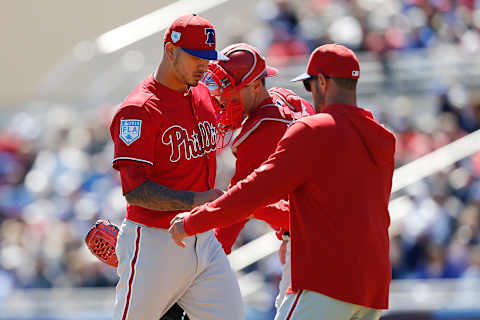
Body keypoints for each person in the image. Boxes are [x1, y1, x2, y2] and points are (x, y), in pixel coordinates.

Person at [169, 44, 396, 320]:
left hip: (324, 274)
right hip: (374, 284)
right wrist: (290, 227)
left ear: (322, 82)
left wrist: (193, 226)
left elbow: (250, 196)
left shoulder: (306, 130)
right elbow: (345, 207)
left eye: (311, 85)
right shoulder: (382, 136)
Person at [109, 14, 244, 320]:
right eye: (197, 57)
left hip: (203, 239)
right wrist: (196, 200)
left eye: (209, 58)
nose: (205, 65)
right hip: (156, 241)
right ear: (170, 51)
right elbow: (134, 191)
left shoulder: (200, 94)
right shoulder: (139, 109)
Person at [201, 42, 314, 310]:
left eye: (228, 93)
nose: (221, 100)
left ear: (255, 86)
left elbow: (236, 209)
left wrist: (204, 265)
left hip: (310, 250)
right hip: (337, 235)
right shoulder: (287, 98)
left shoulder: (261, 131)